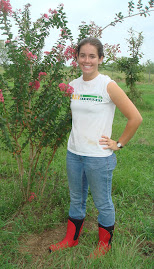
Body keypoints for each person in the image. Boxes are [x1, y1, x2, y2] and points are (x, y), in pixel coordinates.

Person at [49, 37, 142, 258]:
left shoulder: (107, 85)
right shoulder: (73, 85)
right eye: (83, 55)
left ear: (100, 58)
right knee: (76, 199)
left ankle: (104, 246)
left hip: (98, 158)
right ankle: (71, 239)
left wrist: (118, 143)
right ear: (77, 58)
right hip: (74, 154)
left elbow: (135, 118)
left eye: (92, 56)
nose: (87, 60)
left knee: (102, 202)